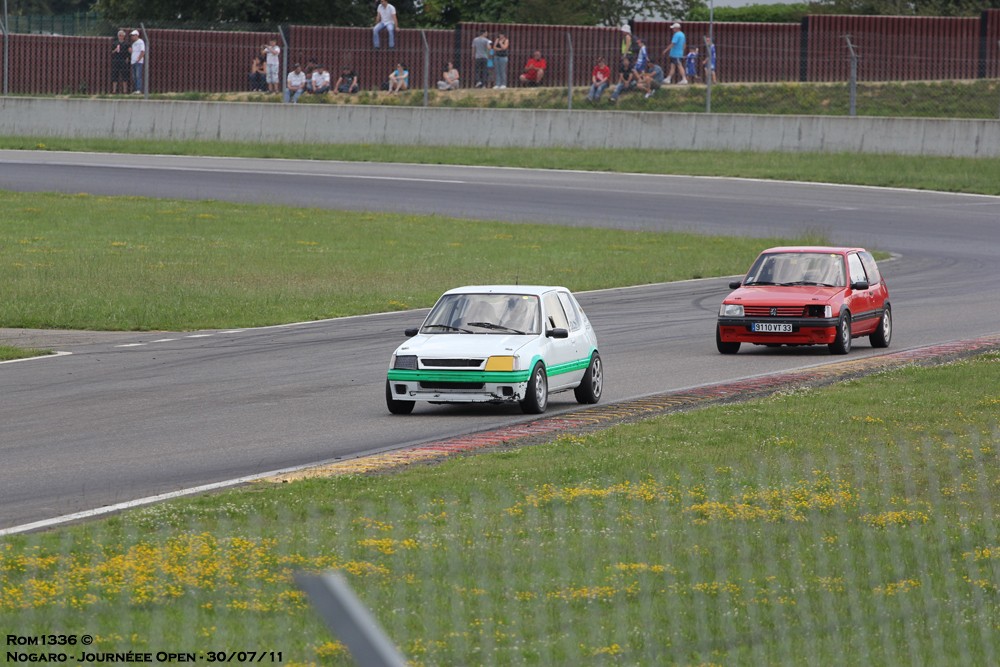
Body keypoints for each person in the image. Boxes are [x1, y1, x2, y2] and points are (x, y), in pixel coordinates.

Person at [111, 30, 130, 94]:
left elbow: (128, 52)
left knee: (124, 75)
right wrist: (115, 50)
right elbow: (111, 52)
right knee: (114, 75)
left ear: (124, 36)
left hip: (123, 60)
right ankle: (114, 90)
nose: (120, 36)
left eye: (122, 35)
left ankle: (125, 90)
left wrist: (127, 57)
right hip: (116, 60)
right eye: (119, 35)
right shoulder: (115, 43)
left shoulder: (126, 44)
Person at [128, 30, 145, 95]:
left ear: (137, 35)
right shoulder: (133, 43)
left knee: (138, 76)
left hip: (138, 62)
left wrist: (139, 59)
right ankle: (135, 89)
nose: (132, 37)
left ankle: (139, 89)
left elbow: (142, 51)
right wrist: (130, 51)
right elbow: (133, 52)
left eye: (133, 35)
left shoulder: (140, 42)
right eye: (131, 36)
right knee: (134, 76)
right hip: (133, 61)